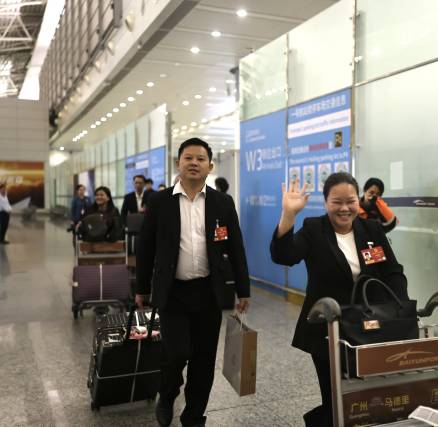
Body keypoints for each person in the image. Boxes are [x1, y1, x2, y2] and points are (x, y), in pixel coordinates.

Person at [270, 172, 408, 426]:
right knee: (335, 397)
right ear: (326, 203)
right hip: (329, 330)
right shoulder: (314, 229)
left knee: (373, 394)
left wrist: (400, 308)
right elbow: (284, 256)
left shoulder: (371, 229)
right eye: (337, 202)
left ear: (358, 200)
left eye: (351, 201)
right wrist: (288, 215)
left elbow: (392, 271)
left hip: (371, 326)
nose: (345, 208)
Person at [135, 138, 251, 427]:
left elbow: (236, 248)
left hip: (209, 292)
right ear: (178, 163)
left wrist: (243, 289)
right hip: (173, 292)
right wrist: (141, 288)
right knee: (176, 353)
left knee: (203, 359)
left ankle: (194, 416)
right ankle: (167, 394)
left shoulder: (222, 203)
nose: (194, 163)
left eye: (201, 159)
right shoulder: (160, 201)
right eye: (188, 158)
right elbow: (145, 247)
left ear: (210, 166)